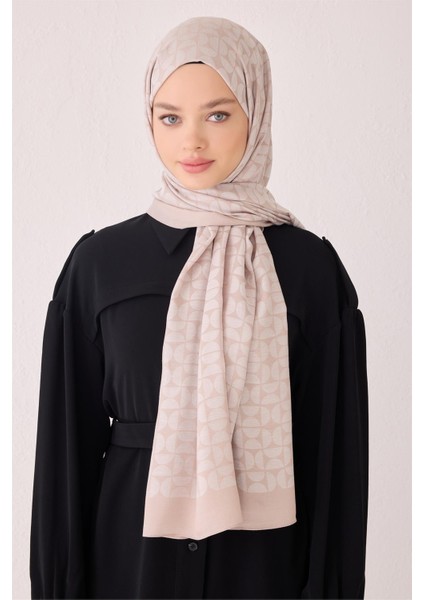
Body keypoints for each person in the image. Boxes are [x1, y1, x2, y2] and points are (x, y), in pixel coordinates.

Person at [29, 15, 369, 600]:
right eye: (170, 117)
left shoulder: (308, 269)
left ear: (255, 114)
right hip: (128, 570)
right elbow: (65, 455)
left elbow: (334, 462)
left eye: (217, 115)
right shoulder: (99, 265)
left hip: (263, 573)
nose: (191, 141)